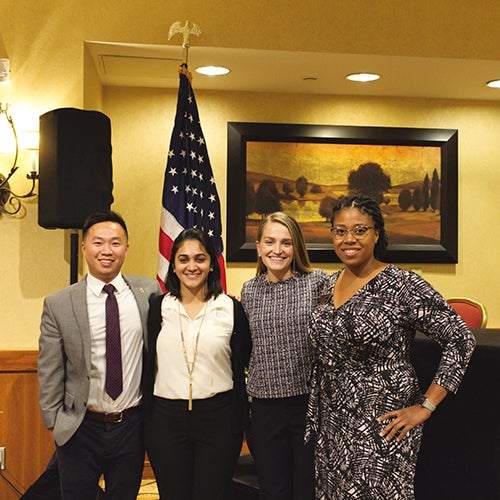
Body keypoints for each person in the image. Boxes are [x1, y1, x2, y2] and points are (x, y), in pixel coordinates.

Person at [306, 194, 476, 499]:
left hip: (382, 424)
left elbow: (461, 339)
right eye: (340, 230)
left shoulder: (402, 285)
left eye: (360, 230)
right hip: (332, 422)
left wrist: (427, 406)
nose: (349, 239)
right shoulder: (325, 285)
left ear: (377, 234)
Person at [37, 210, 161, 500]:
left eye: (115, 243)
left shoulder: (148, 293)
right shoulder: (59, 303)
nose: (107, 250)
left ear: (126, 249)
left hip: (131, 426)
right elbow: (49, 368)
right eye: (98, 242)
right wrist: (55, 423)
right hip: (80, 427)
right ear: (84, 247)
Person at [143, 228, 252, 500]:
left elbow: (244, 362)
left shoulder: (230, 309)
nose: (192, 266)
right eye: (183, 259)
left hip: (219, 419)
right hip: (166, 420)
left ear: (212, 265)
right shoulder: (157, 308)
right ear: (174, 266)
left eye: (200, 259)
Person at [240, 212, 329, 500]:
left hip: (308, 403)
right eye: (270, 242)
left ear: (297, 247)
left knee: (306, 488)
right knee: (273, 488)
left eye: (286, 243)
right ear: (258, 247)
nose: (277, 250)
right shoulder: (249, 290)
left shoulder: (317, 283)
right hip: (265, 406)